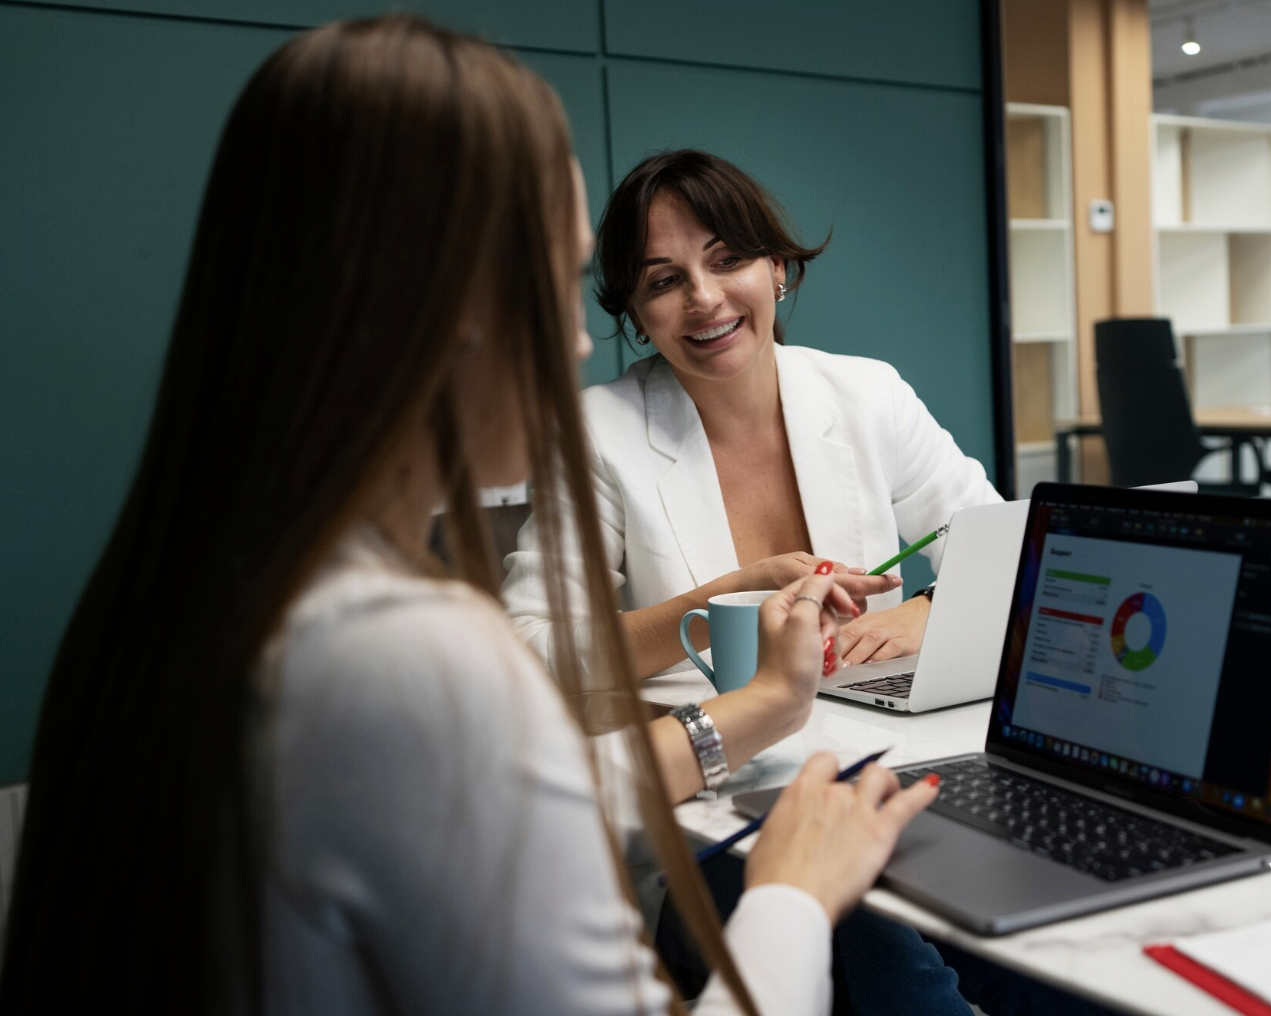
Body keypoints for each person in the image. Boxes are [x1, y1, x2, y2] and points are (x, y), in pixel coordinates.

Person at [0, 17, 940, 1015]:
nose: (578, 342)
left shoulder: (182, 596)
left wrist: (750, 716)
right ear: (445, 298)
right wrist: (792, 892)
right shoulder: (408, 656)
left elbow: (486, 802)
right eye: (564, 282)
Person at [502, 149, 1002, 679]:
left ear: (777, 268)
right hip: (709, 746)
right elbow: (529, 646)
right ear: (638, 317)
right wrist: (725, 601)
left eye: (727, 260)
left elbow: (1010, 551)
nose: (704, 296)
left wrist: (926, 610)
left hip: (881, 735)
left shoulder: (870, 393)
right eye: (664, 281)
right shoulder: (595, 431)